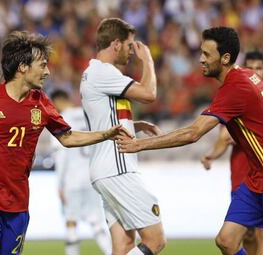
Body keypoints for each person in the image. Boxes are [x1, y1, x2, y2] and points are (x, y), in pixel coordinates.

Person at [0, 31, 129, 255]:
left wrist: (106, 134)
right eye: (42, 65)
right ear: (22, 67)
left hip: (18, 201)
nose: (47, 72)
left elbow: (67, 137)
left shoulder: (42, 104)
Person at [116, 27, 263, 255]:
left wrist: (139, 145)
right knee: (226, 241)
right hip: (257, 178)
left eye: (207, 54)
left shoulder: (236, 88)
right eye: (201, 53)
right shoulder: (249, 76)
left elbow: (193, 133)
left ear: (225, 58)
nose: (201, 59)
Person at [80, 18, 166, 255]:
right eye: (129, 46)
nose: (131, 52)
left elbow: (103, 118)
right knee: (155, 240)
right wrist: (147, 58)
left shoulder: (93, 73)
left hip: (103, 169)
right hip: (118, 168)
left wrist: (133, 124)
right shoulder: (103, 72)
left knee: (124, 245)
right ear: (116, 44)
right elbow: (149, 94)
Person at [200, 50, 263, 255]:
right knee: (245, 237)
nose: (254, 72)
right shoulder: (240, 97)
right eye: (250, 67)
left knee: (261, 234)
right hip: (242, 179)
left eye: (258, 68)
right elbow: (224, 136)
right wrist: (212, 155)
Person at [50, 89, 111, 255]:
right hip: (91, 177)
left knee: (71, 222)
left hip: (71, 179)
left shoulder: (60, 120)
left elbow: (61, 157)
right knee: (97, 223)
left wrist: (60, 185)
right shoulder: (88, 116)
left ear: (58, 101)